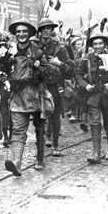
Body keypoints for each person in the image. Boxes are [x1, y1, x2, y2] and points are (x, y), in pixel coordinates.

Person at [0, 19, 47, 176]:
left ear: (29, 33)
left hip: (36, 96)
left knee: (39, 130)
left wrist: (38, 68)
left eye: (24, 31)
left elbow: (49, 72)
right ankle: (17, 162)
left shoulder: (37, 52)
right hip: (17, 95)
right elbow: (2, 69)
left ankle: (40, 159)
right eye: (18, 32)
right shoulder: (9, 51)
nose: (21, 34)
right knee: (18, 130)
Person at [75, 31, 108, 163]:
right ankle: (96, 153)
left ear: (104, 44)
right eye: (95, 43)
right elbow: (78, 75)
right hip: (93, 95)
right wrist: (85, 85)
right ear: (92, 45)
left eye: (100, 43)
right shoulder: (86, 59)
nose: (98, 46)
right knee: (95, 123)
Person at [38, 18, 75, 156]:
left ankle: (55, 145)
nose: (46, 31)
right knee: (38, 117)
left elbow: (71, 70)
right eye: (43, 28)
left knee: (54, 116)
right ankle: (41, 144)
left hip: (54, 86)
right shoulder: (34, 47)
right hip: (37, 86)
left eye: (49, 28)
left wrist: (59, 63)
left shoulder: (60, 49)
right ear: (40, 31)